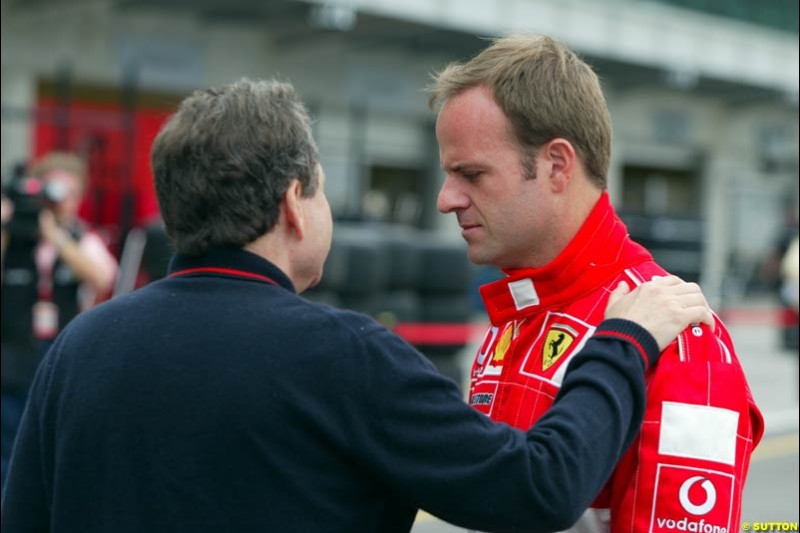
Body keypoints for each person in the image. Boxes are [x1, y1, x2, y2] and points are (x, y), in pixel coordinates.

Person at [1, 79, 713, 533]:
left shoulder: (80, 347)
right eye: (320, 189)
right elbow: (538, 487)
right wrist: (624, 338)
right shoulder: (343, 356)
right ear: (293, 205)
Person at [429, 35, 764, 533]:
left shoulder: (678, 336)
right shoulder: (517, 317)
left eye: (471, 174)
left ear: (557, 166)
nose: (446, 199)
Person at [1, 152, 117, 488]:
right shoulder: (13, 236)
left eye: (68, 193)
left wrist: (54, 234)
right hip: (12, 353)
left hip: (61, 350)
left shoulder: (80, 238)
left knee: (53, 437)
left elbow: (103, 277)